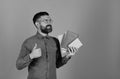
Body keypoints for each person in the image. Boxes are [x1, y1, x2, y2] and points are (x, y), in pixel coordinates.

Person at [16, 11, 78, 79]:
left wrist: (68, 56)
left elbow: (57, 64)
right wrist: (31, 56)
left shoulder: (55, 41)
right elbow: (18, 65)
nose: (49, 23)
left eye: (50, 20)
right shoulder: (28, 42)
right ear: (37, 24)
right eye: (45, 20)